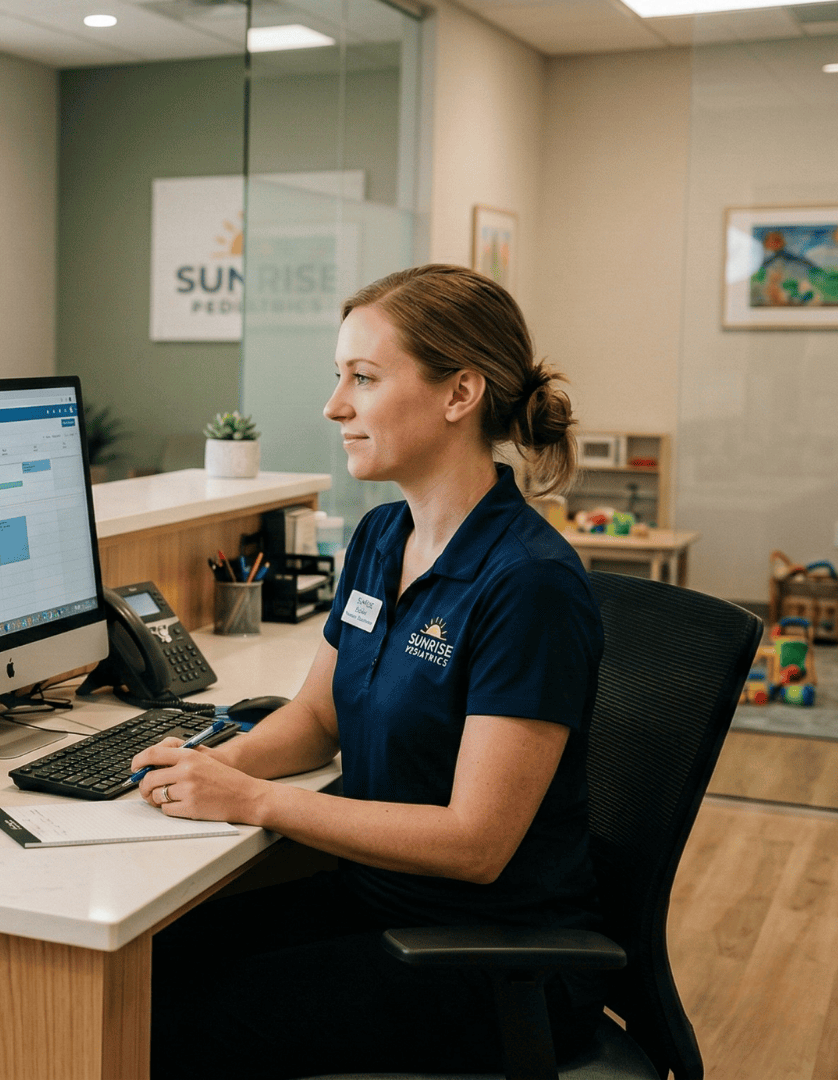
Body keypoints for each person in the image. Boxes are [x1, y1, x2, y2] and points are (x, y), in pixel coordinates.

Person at [137, 264, 605, 1078]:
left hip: (492, 960)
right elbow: (318, 717)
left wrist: (254, 801)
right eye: (339, 376)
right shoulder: (382, 537)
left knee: (171, 1023)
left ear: (460, 394)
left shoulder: (529, 584)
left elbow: (476, 844)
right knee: (141, 969)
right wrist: (215, 768)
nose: (334, 406)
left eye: (364, 378)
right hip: (377, 901)